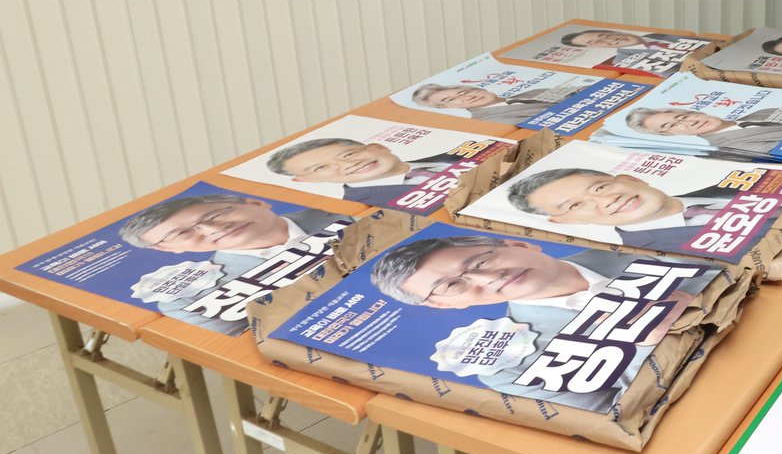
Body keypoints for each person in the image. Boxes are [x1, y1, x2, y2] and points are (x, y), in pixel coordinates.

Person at [369, 235, 710, 411]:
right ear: (445, 306)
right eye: (451, 286)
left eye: (482, 260)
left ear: (517, 243)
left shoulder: (628, 239)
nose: (487, 278)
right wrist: (646, 343)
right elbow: (619, 418)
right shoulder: (507, 370)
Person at [119, 193, 350, 333]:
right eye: (181, 234)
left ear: (256, 203)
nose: (214, 229)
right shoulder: (189, 302)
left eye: (214, 216)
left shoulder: (343, 207)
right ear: (168, 249)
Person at [506, 167, 758, 252]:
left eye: (599, 187)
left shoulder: (745, 180)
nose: (607, 200)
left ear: (631, 179)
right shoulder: (658, 256)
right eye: (576, 205)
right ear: (566, 221)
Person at [266, 137, 463, 206]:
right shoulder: (369, 211)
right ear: (305, 180)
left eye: (348, 154)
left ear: (377, 147)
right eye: (321, 167)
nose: (348, 165)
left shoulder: (459, 153)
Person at [618, 105, 782, 159]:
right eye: (672, 126)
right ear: (669, 136)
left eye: (681, 116)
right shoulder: (729, 148)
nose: (690, 123)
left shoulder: (760, 112)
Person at [410, 83, 560, 125]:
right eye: (450, 100)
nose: (467, 97)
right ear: (444, 107)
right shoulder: (488, 122)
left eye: (462, 92)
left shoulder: (533, 92)